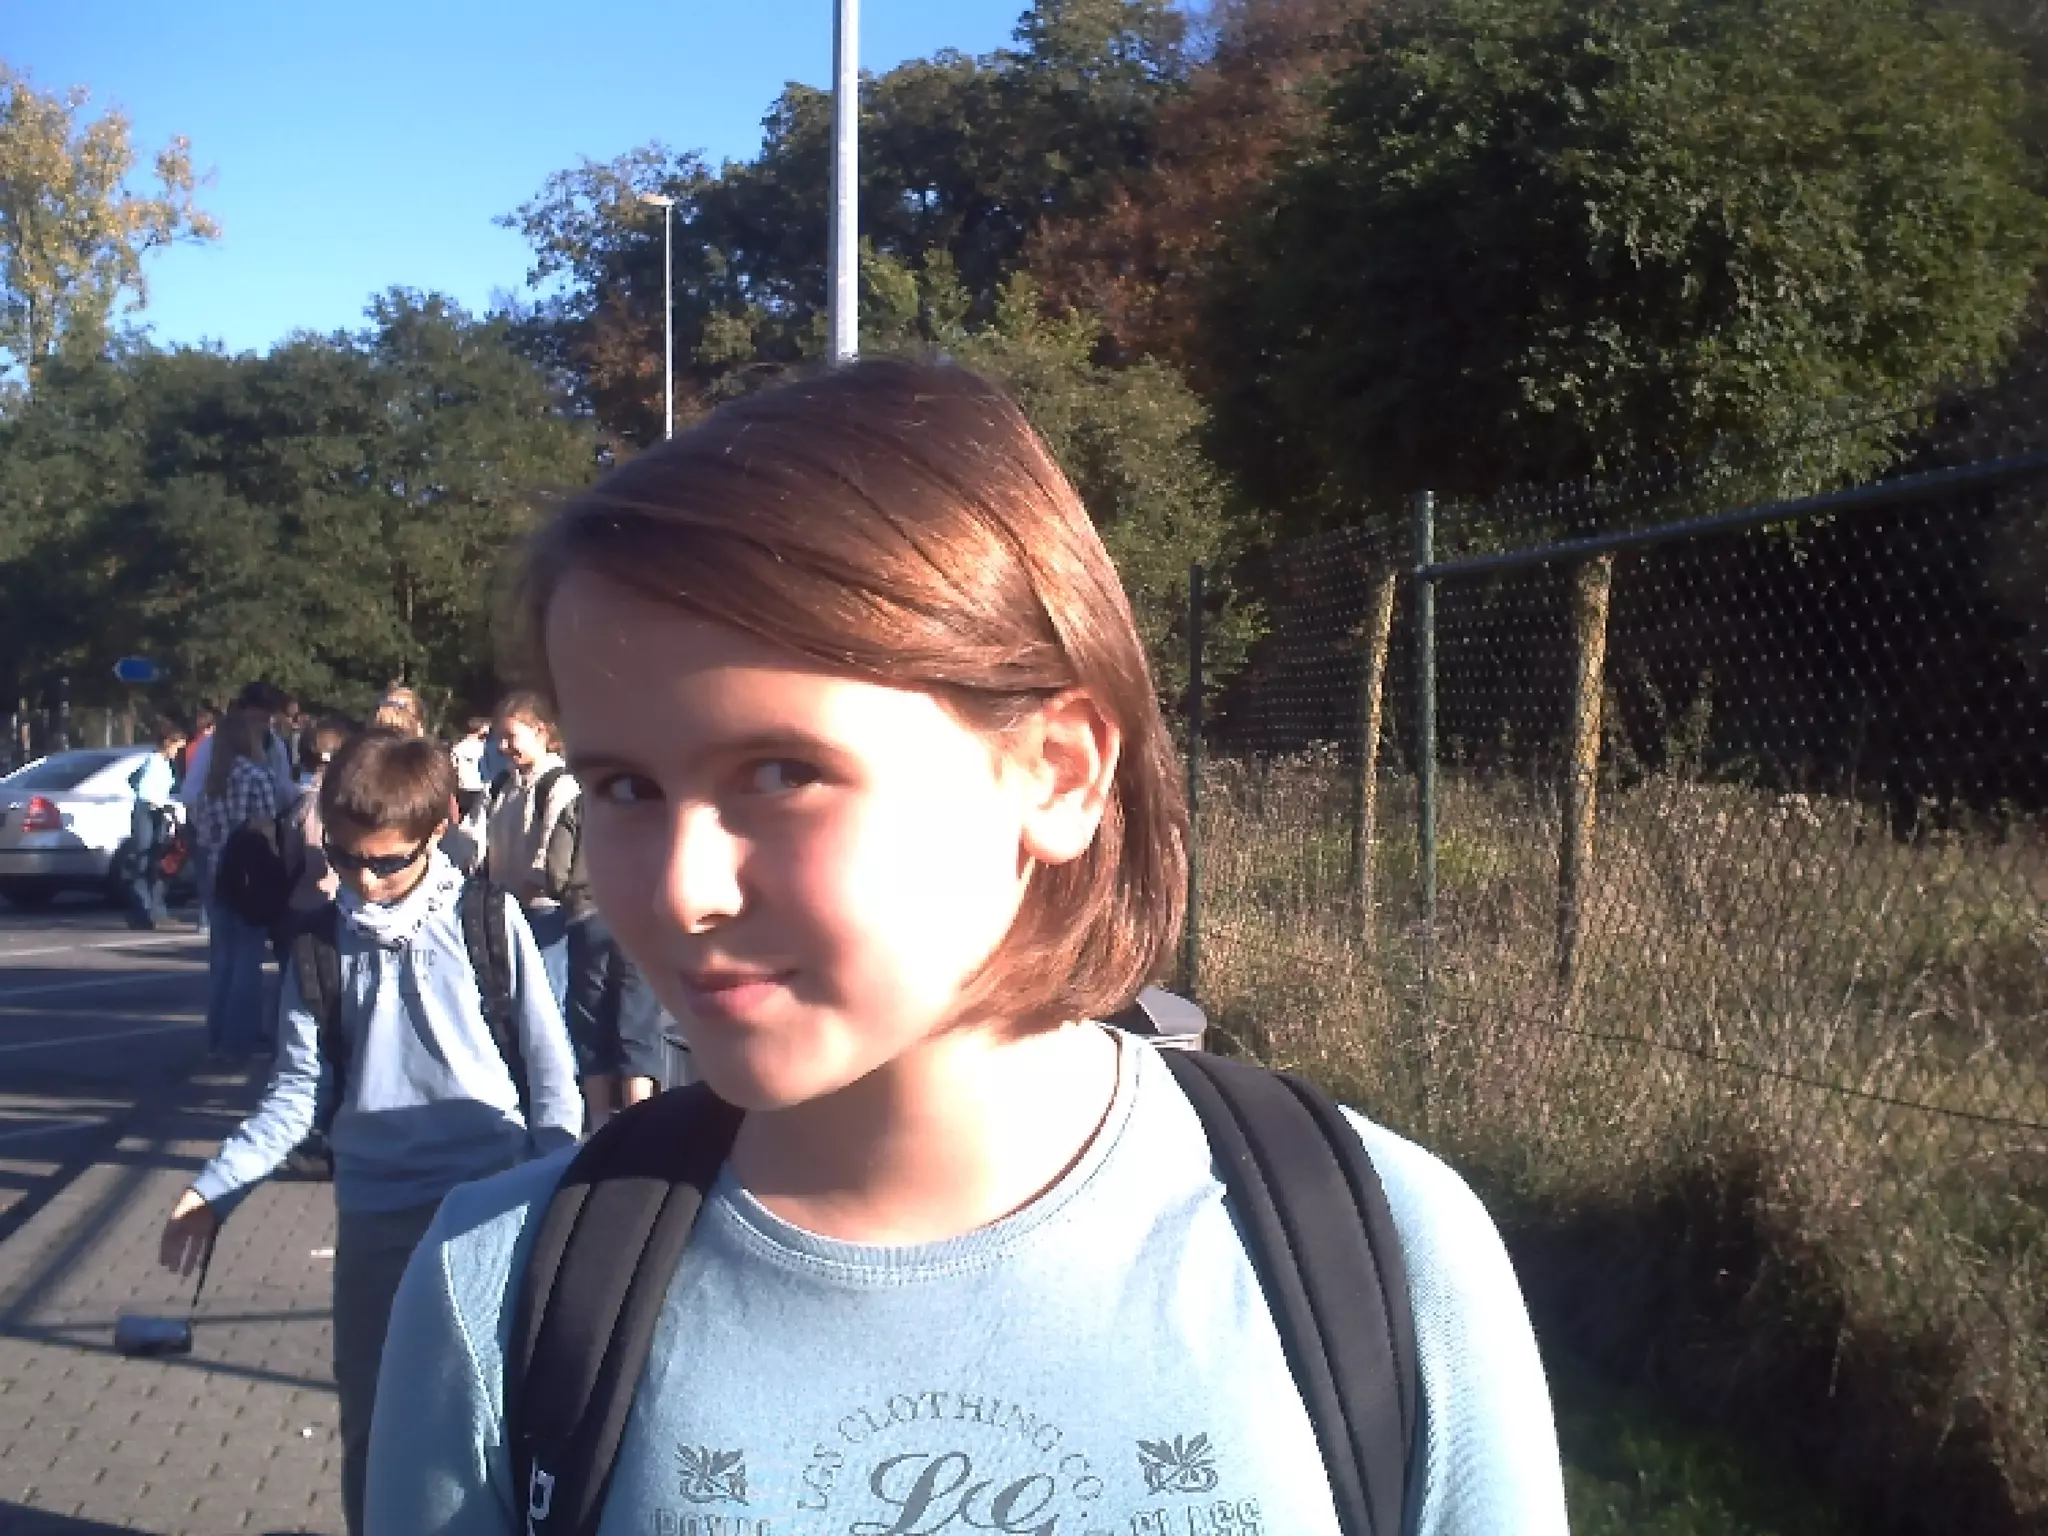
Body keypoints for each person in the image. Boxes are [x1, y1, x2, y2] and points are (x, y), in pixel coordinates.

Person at [366, 360, 1567, 1535]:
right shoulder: (504, 1294)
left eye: (779, 773)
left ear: (1056, 774)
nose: (681, 892)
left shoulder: (1380, 1254)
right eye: (626, 787)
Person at [158, 728, 583, 1536]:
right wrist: (215, 1189)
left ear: (439, 826)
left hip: (493, 1206)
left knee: (493, 1422)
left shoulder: (488, 920)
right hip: (376, 1214)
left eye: (386, 862)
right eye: (345, 858)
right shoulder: (320, 946)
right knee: (377, 1422)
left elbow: (551, 1073)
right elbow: (294, 1097)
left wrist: (551, 1191)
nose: (364, 880)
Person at [547, 792, 671, 1126]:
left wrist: (571, 894)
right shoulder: (654, 802)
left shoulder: (580, 806)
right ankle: (640, 1119)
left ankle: (601, 1120)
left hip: (587, 919)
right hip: (638, 918)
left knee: (590, 1021)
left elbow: (555, 872)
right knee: (637, 1019)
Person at [191, 708, 281, 1061]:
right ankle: (239, 1041)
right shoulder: (257, 776)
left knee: (224, 959)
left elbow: (201, 830)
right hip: (250, 874)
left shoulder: (213, 779)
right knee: (248, 958)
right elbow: (269, 823)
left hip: (218, 872)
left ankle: (217, 1036)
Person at [483, 692, 577, 1008]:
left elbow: (555, 842)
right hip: (503, 906)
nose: (503, 746)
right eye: (499, 738)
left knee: (546, 996)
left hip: (542, 910)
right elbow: (478, 836)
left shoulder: (559, 783)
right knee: (509, 995)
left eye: (511, 737)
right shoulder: (502, 785)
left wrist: (536, 880)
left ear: (540, 732)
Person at [125, 718, 187, 930]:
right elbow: (144, 790)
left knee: (157, 862)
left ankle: (156, 912)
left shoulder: (164, 763)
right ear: (168, 743)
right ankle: (142, 912)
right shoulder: (154, 762)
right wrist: (165, 804)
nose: (178, 753)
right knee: (143, 861)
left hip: (157, 813)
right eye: (177, 748)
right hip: (147, 812)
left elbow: (133, 780)